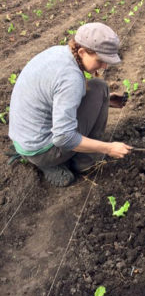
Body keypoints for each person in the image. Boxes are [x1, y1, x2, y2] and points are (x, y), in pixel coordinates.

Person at [9, 22, 132, 187]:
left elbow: (56, 97)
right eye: (101, 60)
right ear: (82, 51)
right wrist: (108, 148)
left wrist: (105, 100)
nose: (104, 66)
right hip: (40, 150)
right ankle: (80, 163)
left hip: (24, 137)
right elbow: (63, 137)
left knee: (100, 89)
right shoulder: (71, 78)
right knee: (100, 87)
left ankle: (50, 158)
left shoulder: (60, 53)